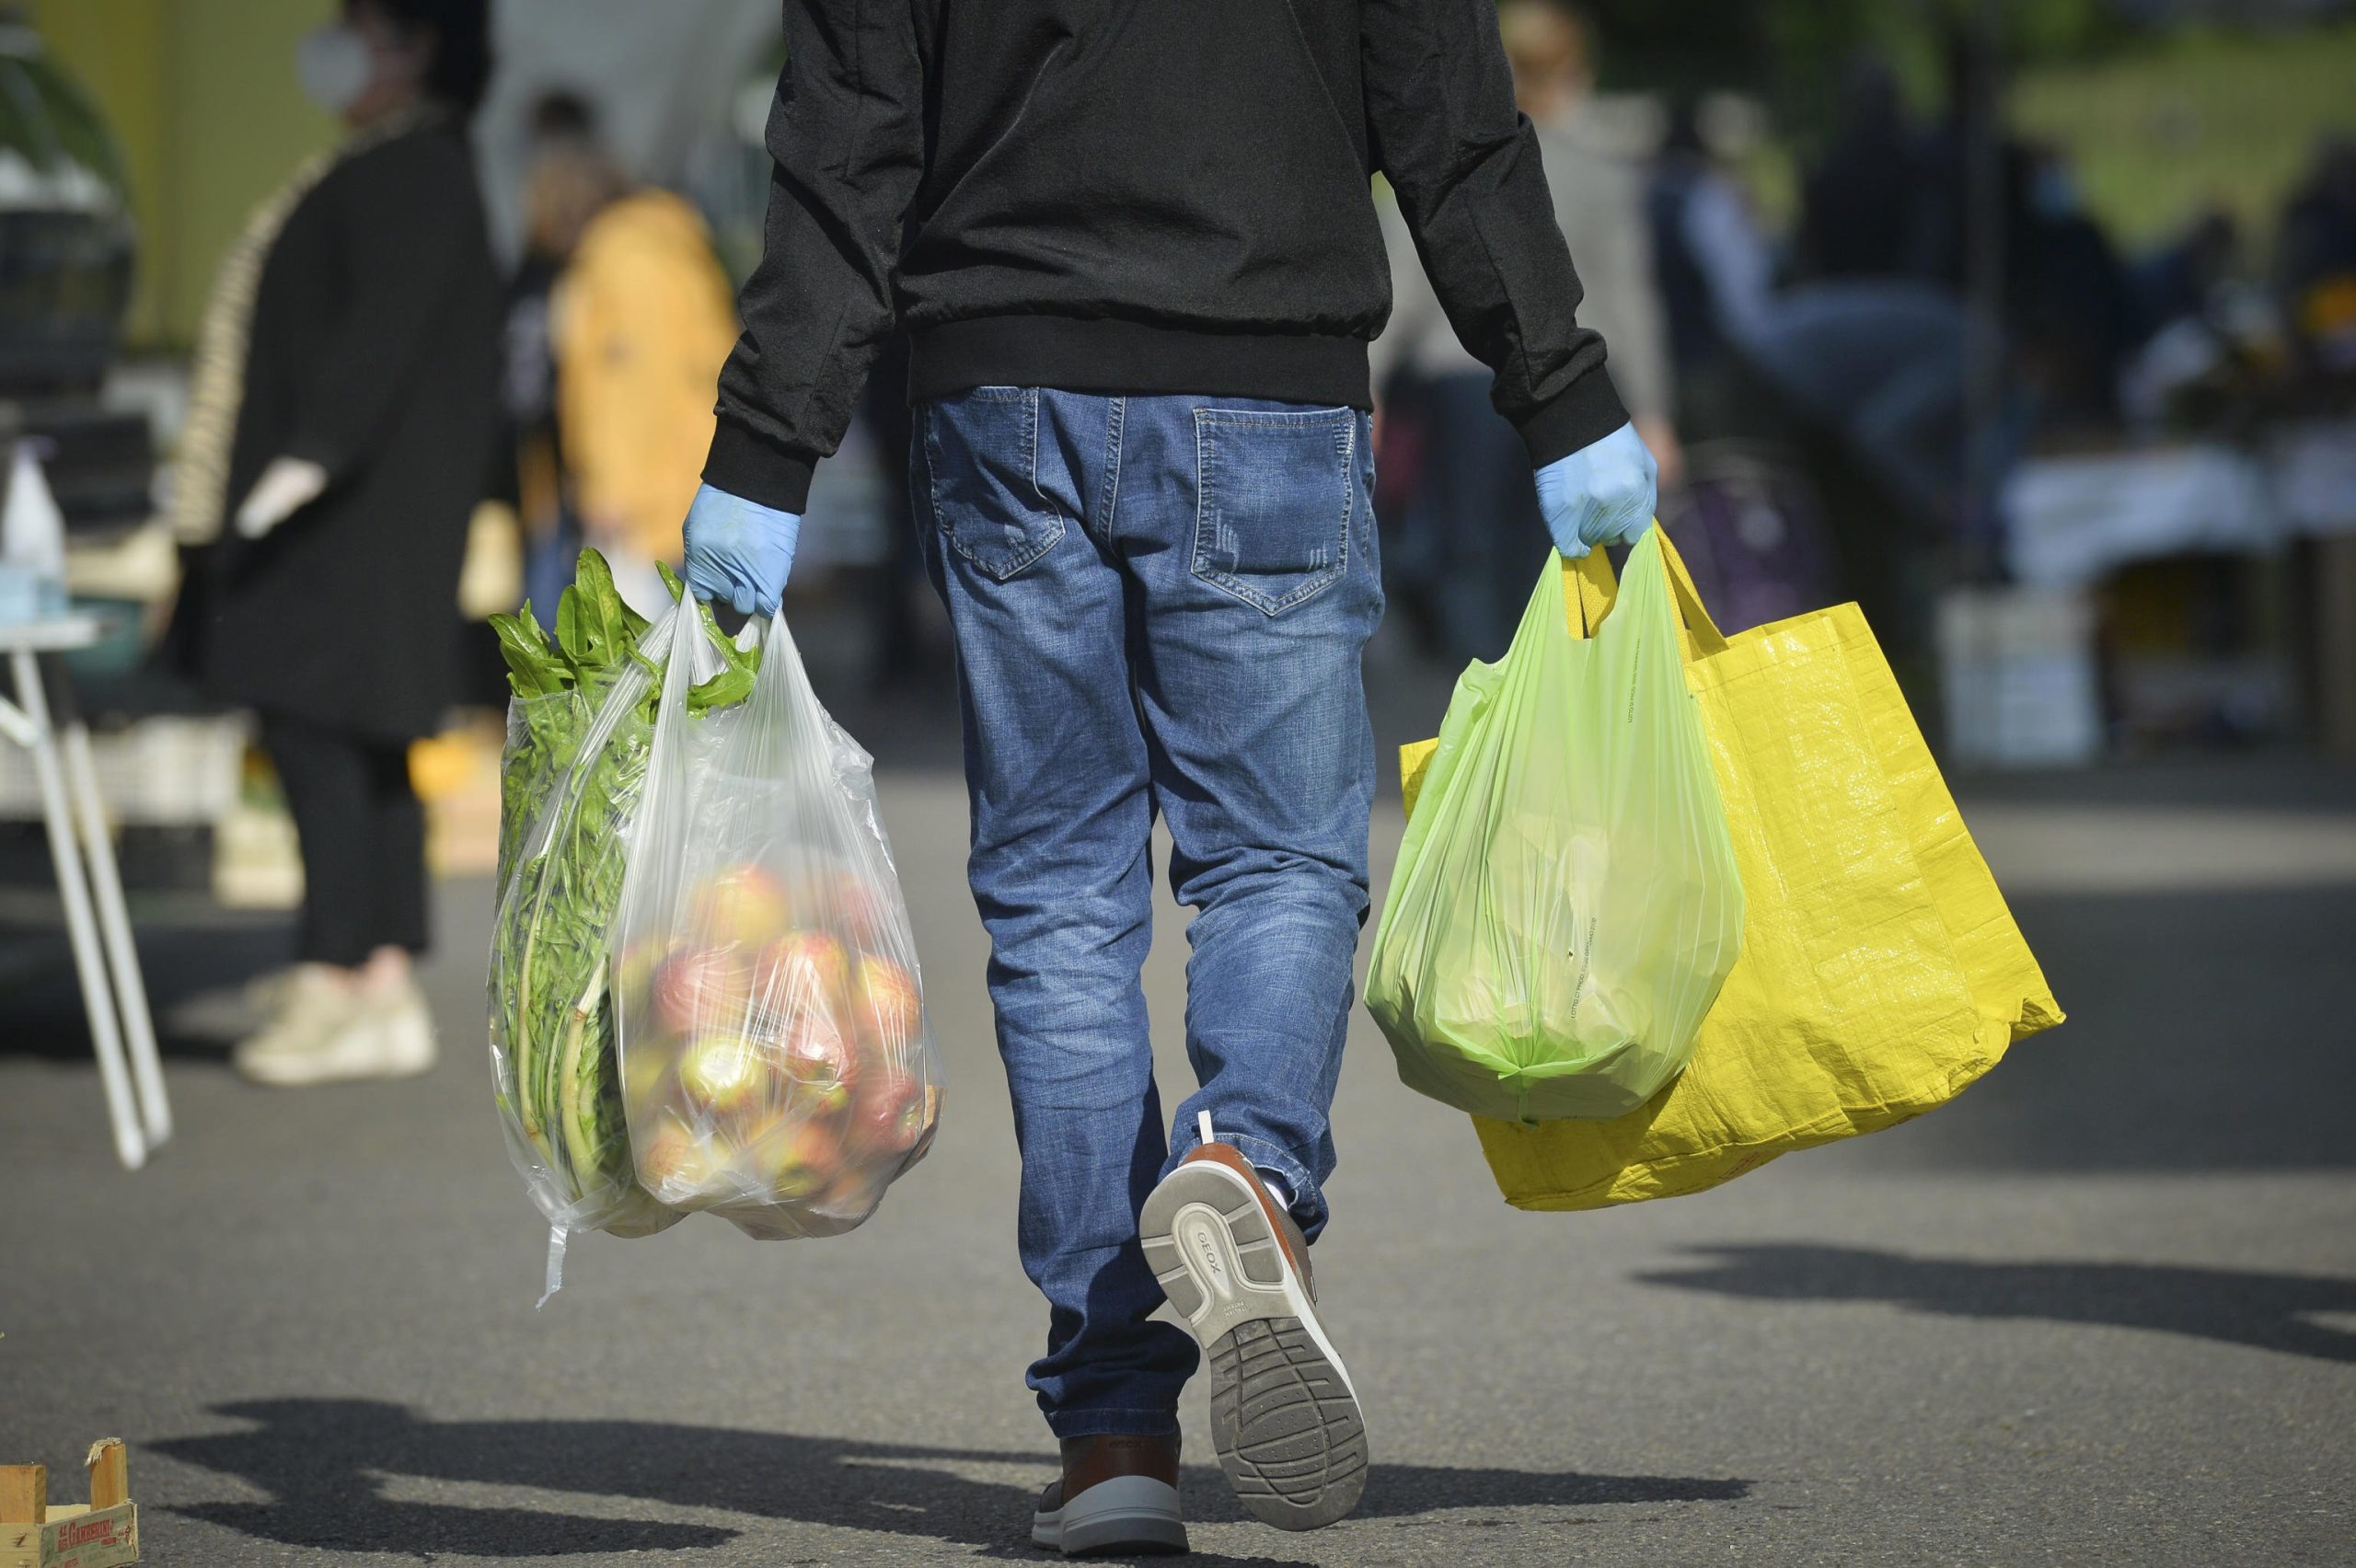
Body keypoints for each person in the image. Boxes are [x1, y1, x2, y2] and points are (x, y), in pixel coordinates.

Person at [684, 2, 1655, 1551]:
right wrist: (1564, 394)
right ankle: (1249, 1164)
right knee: (1275, 859)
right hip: (1266, 374)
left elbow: (846, 135)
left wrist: (763, 449)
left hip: (1004, 388)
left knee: (1061, 898)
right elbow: (1448, 119)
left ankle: (1115, 1429)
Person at [160, 0, 498, 1086]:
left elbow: (376, 339)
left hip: (342, 521)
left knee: (318, 733)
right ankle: (378, 977)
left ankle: (336, 973)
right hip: (363, 518)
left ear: (417, 46)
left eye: (363, 22)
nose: (337, 40)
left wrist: (292, 470)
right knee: (368, 744)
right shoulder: (412, 166)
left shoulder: (411, 169)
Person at [1376, 0, 1677, 663]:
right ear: (1575, 72)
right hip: (1580, 383)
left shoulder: (1444, 162)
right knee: (1570, 555)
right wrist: (1653, 412)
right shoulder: (1601, 174)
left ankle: (1480, 706)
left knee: (1470, 553)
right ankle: (1566, 699)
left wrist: (1368, 384)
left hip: (1460, 380)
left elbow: (1402, 282)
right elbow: (1630, 303)